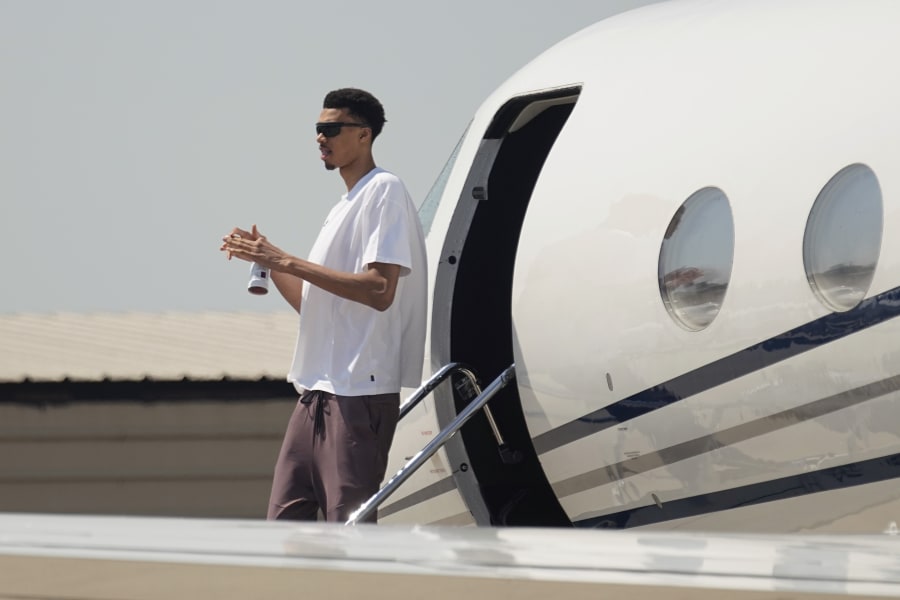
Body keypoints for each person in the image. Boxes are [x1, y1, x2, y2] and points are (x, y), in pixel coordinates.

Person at [220, 88, 427, 523]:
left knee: (348, 532)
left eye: (331, 129)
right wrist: (269, 260)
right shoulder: (342, 207)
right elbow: (314, 306)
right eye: (317, 130)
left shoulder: (384, 190)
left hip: (359, 392)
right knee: (285, 525)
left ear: (364, 135)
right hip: (315, 391)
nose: (320, 138)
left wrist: (286, 260)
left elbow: (379, 290)